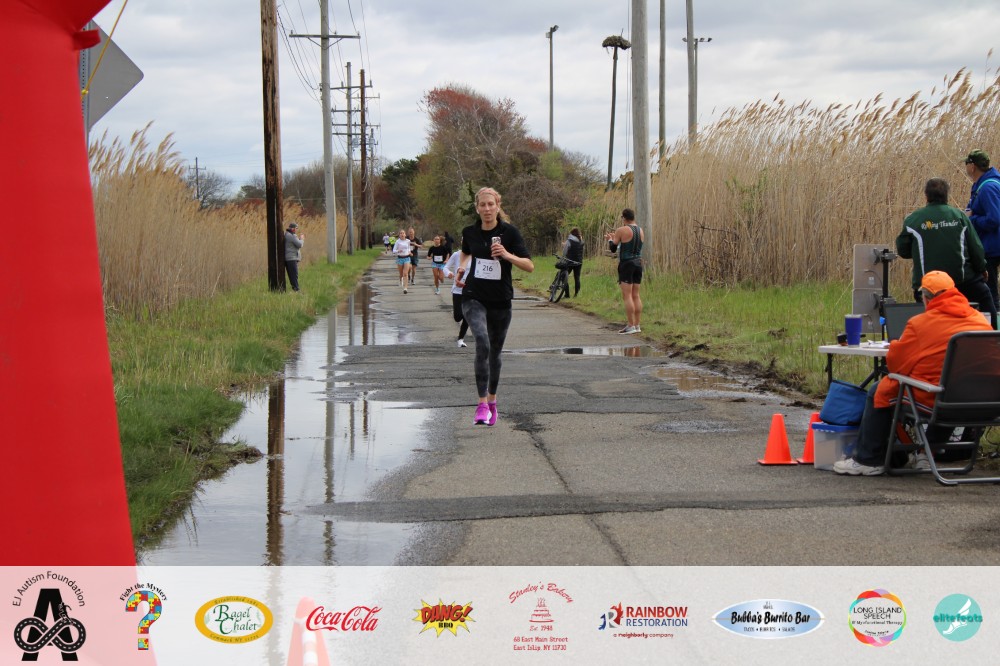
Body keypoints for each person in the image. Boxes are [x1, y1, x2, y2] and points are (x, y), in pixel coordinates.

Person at [833, 271, 991, 476]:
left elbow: (896, 365)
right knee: (949, 391)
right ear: (954, 292)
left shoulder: (920, 324)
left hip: (937, 400)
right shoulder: (979, 319)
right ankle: (926, 452)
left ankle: (867, 459)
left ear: (925, 298)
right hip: (981, 402)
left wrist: (896, 346)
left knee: (879, 390)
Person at [458, 187, 534, 426]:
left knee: (495, 352)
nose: (487, 209)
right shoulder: (469, 232)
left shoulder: (510, 233)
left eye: (491, 204)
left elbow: (529, 266)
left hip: (501, 300)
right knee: (482, 341)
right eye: (483, 205)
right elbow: (465, 252)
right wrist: (462, 267)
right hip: (473, 296)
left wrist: (507, 255)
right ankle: (481, 404)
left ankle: (492, 401)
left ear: (498, 206)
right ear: (477, 208)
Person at [896, 177, 996, 327]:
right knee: (985, 297)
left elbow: (903, 250)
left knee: (925, 308)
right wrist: (982, 268)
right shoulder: (959, 216)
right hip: (962, 283)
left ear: (926, 196)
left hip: (927, 287)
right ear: (946, 195)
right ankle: (992, 336)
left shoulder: (913, 220)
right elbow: (976, 248)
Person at [964, 149, 1000, 312]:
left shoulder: (987, 188)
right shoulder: (987, 184)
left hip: (992, 248)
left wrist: (971, 219)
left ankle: (993, 324)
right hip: (992, 245)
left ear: (972, 166)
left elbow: (994, 219)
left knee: (990, 295)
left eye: (967, 163)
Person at [604, 208, 644, 334]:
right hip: (638, 263)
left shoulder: (621, 230)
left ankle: (630, 325)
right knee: (636, 295)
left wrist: (610, 239)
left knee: (627, 295)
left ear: (624, 218)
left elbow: (613, 248)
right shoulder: (640, 230)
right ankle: (637, 325)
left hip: (627, 264)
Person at [442, 244, 470, 347]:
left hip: (470, 290)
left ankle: (461, 339)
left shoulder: (476, 255)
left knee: (468, 315)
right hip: (457, 290)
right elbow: (445, 267)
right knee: (458, 317)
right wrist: (448, 273)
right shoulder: (456, 254)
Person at [559, 227, 584, 298]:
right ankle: (576, 295)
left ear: (571, 233)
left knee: (563, 276)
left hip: (569, 261)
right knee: (577, 278)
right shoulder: (581, 241)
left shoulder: (569, 240)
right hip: (579, 262)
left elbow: (565, 251)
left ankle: (567, 295)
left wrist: (562, 259)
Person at [284, 222, 304, 292]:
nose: (296, 230)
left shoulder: (287, 234)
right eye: (296, 228)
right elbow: (299, 244)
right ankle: (296, 290)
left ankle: (295, 289)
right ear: (293, 229)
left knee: (292, 275)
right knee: (294, 275)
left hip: (289, 258)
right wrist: (301, 239)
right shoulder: (291, 236)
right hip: (291, 258)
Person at [391, 227, 411, 294]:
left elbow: (408, 248)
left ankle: (405, 288)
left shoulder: (408, 241)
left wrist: (409, 252)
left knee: (405, 273)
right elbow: (393, 250)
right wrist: (398, 250)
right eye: (401, 233)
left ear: (405, 234)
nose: (402, 234)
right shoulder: (397, 241)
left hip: (407, 258)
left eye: (403, 233)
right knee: (401, 274)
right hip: (400, 258)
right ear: (399, 235)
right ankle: (400, 279)